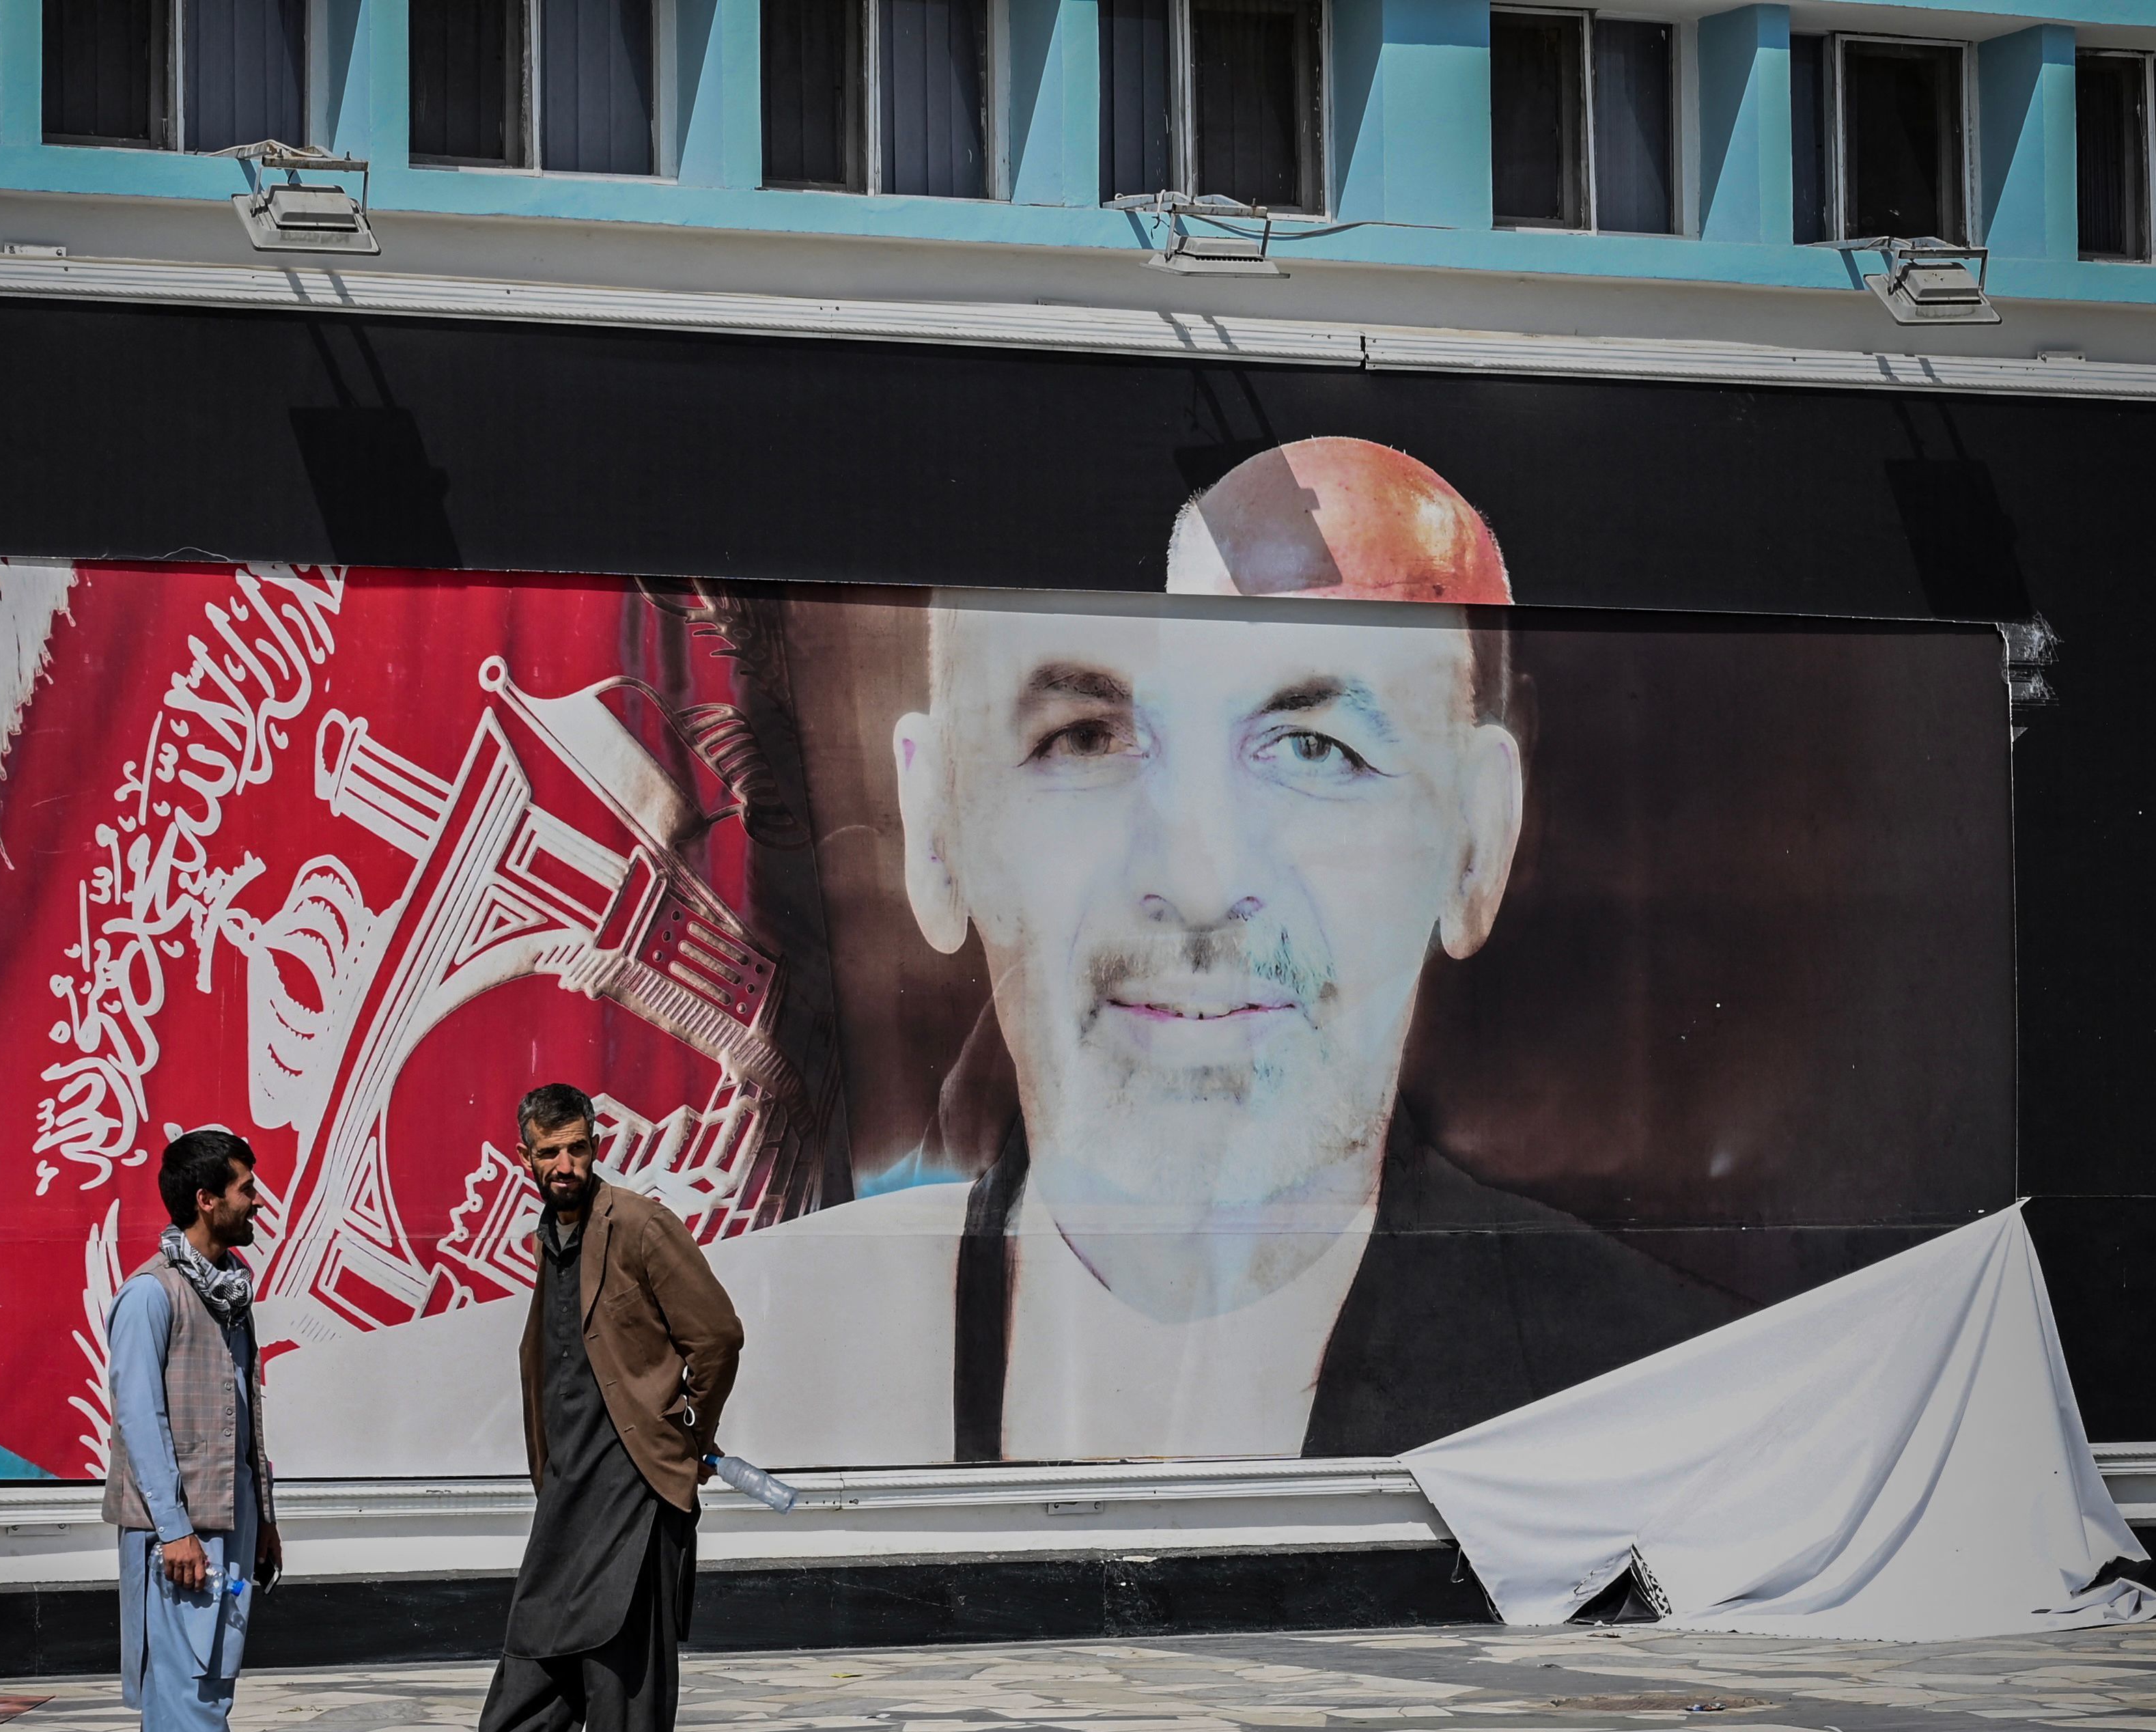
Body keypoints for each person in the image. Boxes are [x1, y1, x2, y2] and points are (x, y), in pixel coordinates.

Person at [707, 439, 1733, 1464]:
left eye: (1314, 749)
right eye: (1087, 738)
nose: (1199, 883)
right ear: (936, 835)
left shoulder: (1671, 1419)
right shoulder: (736, 1378)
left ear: (1474, 846)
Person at [428, 1082, 746, 1732]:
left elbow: (716, 1334)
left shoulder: (638, 1224)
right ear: (525, 1157)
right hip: (570, 1491)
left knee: (622, 1669)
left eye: (577, 1147)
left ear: (594, 1145)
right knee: (532, 1658)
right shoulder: (554, 1236)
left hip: (636, 1485)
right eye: (550, 1152)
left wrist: (687, 1432)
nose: (566, 1164)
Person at [103, 1127, 287, 1732]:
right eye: (246, 1189)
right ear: (206, 1200)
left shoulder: (230, 1291)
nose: (257, 1201)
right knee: (195, 1683)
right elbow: (139, 1420)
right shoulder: (153, 1294)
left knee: (190, 1680)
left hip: (228, 1523)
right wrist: (174, 1529)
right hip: (182, 1534)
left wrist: (263, 1519)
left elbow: (244, 1415)